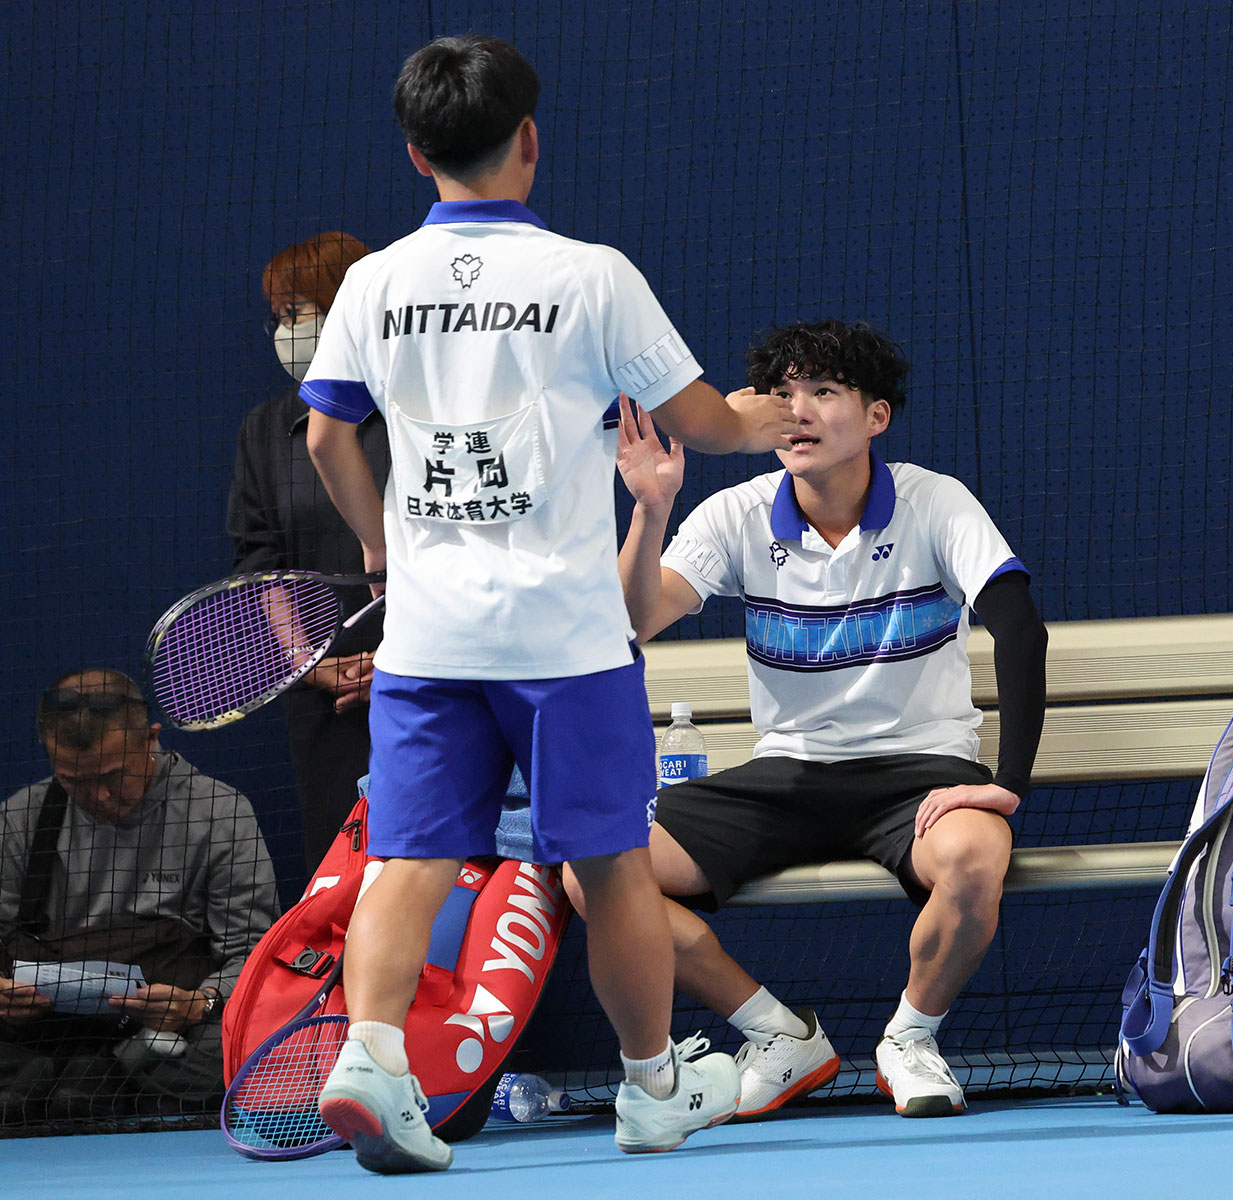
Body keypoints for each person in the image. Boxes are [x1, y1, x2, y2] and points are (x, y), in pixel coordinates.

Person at [299, 35, 799, 1173]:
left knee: (407, 859)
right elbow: (709, 422)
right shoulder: (592, 275)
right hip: (568, 642)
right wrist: (775, 414)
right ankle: (652, 1088)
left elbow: (328, 436)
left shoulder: (372, 283)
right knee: (614, 864)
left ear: (417, 153)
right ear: (530, 139)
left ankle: (372, 1060)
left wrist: (381, 551)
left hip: (429, 636)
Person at [613, 319, 1048, 1119]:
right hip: (788, 774)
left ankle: (911, 1038)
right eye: (783, 395)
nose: (799, 411)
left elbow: (1020, 627)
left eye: (823, 391)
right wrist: (651, 509)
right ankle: (778, 1034)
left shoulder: (933, 502)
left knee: (976, 857)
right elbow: (628, 624)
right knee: (597, 871)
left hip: (918, 774)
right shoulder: (736, 514)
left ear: (877, 416)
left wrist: (1008, 784)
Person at [0, 670, 278, 1125]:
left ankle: (96, 1078)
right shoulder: (19, 818)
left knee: (258, 1044)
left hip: (170, 1029)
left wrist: (203, 1001)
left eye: (113, 775)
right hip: (43, 1028)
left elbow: (255, 951)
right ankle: (87, 1081)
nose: (99, 796)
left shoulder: (220, 812)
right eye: (73, 781)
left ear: (151, 738)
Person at [229, 231, 387, 876]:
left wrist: (399, 662)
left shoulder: (419, 411)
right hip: (326, 702)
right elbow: (259, 563)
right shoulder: (266, 431)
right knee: (342, 878)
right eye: (277, 318)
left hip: (434, 682)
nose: (283, 332)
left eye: (296, 313)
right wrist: (310, 665)